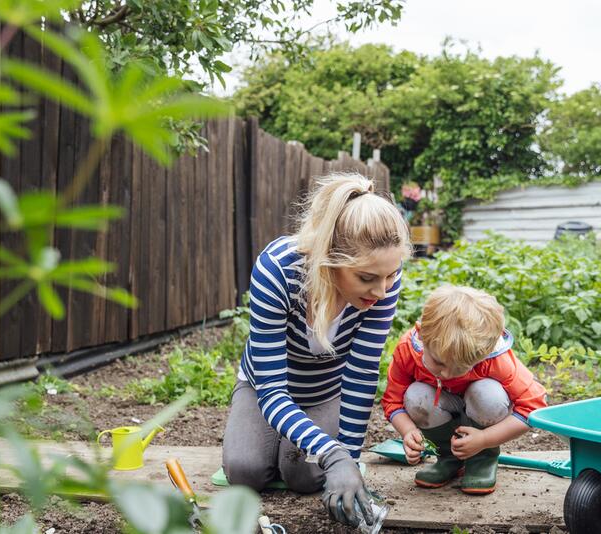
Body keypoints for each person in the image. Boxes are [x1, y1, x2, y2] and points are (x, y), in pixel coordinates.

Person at [222, 172, 411, 526]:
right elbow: (274, 392)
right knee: (244, 471)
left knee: (305, 476)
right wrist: (331, 453)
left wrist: (349, 461)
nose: (382, 291)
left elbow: (360, 376)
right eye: (367, 278)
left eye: (390, 276)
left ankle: (295, 446)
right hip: (266, 387)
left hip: (325, 390)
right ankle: (272, 440)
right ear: (330, 259)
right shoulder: (277, 270)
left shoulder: (383, 279)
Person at [381, 285, 547, 494]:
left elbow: (533, 407)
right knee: (415, 396)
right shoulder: (408, 350)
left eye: (462, 367)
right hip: (442, 408)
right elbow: (393, 401)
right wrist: (408, 431)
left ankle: (482, 459)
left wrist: (484, 440)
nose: (448, 374)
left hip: (480, 413)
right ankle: (449, 458)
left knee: (488, 394)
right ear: (422, 334)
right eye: (440, 363)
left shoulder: (495, 358)